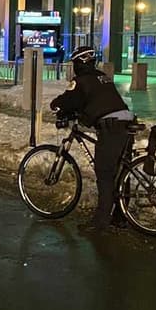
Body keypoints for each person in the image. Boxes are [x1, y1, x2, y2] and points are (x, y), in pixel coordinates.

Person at [49, 46, 136, 232]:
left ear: (79, 64)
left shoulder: (81, 81)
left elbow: (70, 100)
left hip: (111, 126)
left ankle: (101, 222)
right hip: (127, 121)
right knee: (121, 171)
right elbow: (95, 100)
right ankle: (121, 216)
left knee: (104, 172)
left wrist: (56, 107)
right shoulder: (102, 77)